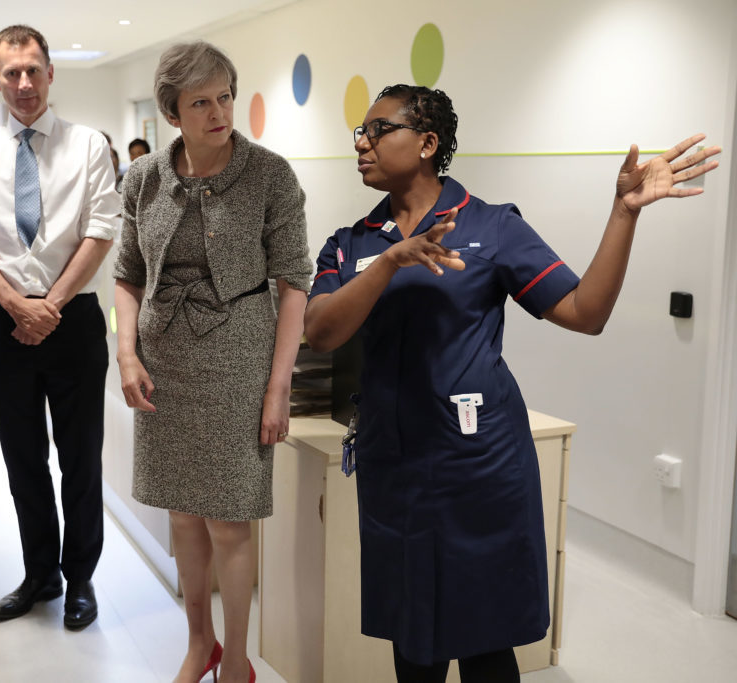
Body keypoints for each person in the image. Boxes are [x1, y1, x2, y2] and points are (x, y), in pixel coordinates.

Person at [304, 84, 721, 682]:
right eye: (359, 135)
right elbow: (320, 331)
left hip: (480, 466)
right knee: (412, 635)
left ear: (427, 143)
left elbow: (586, 312)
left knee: (486, 638)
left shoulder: (493, 228)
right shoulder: (352, 242)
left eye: (377, 130)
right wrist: (393, 262)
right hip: (393, 464)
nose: (362, 144)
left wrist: (623, 212)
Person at [113, 41, 310, 683]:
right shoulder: (143, 179)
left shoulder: (271, 176)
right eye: (201, 101)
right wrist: (126, 354)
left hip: (238, 360)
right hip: (164, 359)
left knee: (230, 520)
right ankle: (200, 645)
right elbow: (127, 274)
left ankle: (238, 661)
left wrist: (279, 387)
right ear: (173, 113)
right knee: (182, 514)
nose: (220, 110)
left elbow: (294, 284)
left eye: (225, 95)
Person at [0, 24, 119, 629]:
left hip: (72, 320)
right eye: (11, 73)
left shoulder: (88, 147)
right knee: (23, 459)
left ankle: (80, 580)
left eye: (33, 70)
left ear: (51, 73)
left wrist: (49, 304)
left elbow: (101, 230)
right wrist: (17, 305)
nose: (24, 83)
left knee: (81, 459)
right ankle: (40, 575)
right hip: (2, 323)